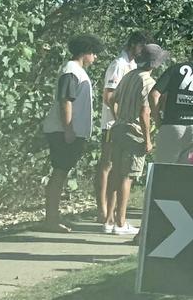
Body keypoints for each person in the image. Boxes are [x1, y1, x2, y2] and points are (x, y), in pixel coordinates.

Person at [104, 44, 169, 235]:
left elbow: (112, 99)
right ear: (155, 63)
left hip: (118, 129)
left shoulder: (128, 76)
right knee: (127, 176)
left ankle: (108, 219)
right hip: (134, 132)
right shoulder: (148, 82)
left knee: (115, 173)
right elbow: (144, 112)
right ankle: (121, 222)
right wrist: (148, 138)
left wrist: (118, 118)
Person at [41, 34, 103, 233]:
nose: (95, 57)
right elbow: (65, 101)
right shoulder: (71, 71)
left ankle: (54, 216)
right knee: (59, 172)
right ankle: (50, 219)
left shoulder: (78, 71)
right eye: (93, 53)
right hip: (63, 131)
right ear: (85, 52)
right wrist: (68, 129)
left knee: (62, 172)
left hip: (71, 131)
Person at [94, 31, 151, 223]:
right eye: (141, 47)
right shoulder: (119, 64)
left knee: (119, 168)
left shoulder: (133, 65)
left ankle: (112, 213)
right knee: (107, 165)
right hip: (113, 123)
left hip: (123, 126)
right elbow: (109, 96)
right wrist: (121, 118)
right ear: (134, 44)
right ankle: (103, 210)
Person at [150, 39, 193, 164]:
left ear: (192, 53)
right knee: (188, 175)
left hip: (172, 125)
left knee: (162, 172)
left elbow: (154, 94)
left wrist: (158, 120)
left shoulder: (175, 69)